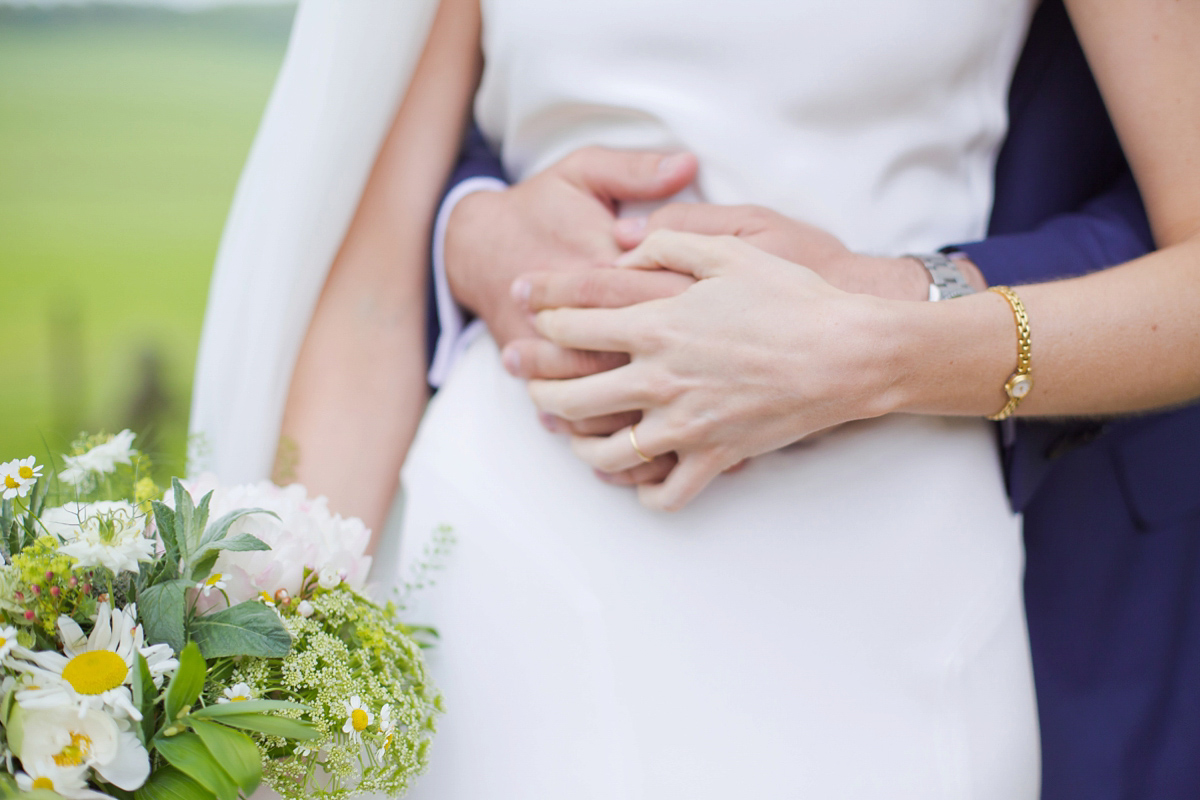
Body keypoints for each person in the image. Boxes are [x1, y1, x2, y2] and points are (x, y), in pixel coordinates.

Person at [430, 3, 1191, 797]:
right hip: (512, 522)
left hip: (879, 552)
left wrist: (886, 326)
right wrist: (473, 233)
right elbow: (360, 153)